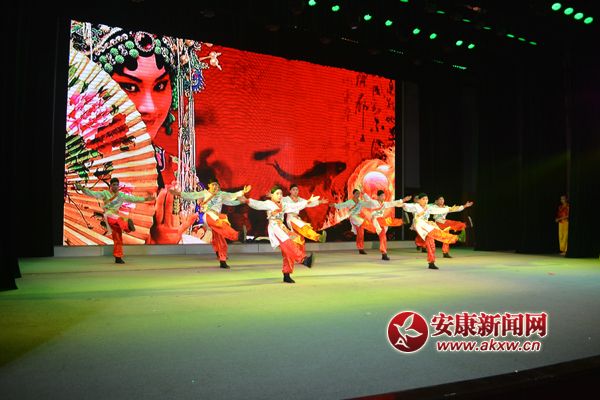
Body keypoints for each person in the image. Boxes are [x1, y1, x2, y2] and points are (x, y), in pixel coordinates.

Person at [70, 21, 220, 244]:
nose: (149, 107)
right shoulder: (70, 168)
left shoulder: (178, 172)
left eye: (160, 86)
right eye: (129, 86)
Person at [240, 186, 318, 283]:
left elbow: (295, 206)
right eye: (277, 193)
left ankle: (287, 274)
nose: (280, 195)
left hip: (282, 227)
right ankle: (304, 260)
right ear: (272, 195)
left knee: (288, 252)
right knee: (288, 243)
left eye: (281, 193)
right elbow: (258, 204)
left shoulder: (283, 205)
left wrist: (308, 201)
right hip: (274, 227)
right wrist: (247, 200)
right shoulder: (269, 203)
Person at [171, 178, 251, 268]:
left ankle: (222, 260)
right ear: (209, 185)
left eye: (217, 185)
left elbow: (231, 198)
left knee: (220, 239)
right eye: (213, 184)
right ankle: (237, 236)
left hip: (217, 216)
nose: (215, 187)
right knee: (222, 225)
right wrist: (179, 193)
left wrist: (242, 193)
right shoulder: (204, 193)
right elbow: (192, 195)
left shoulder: (221, 194)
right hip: (208, 216)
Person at [75, 178, 155, 263]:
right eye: (114, 185)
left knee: (118, 238)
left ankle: (118, 257)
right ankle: (127, 226)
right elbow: (93, 194)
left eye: (117, 185)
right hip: (109, 215)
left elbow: (133, 199)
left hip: (115, 217)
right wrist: (82, 189)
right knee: (121, 220)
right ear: (110, 185)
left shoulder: (121, 195)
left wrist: (146, 199)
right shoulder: (105, 193)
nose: (116, 186)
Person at [403, 194, 473, 269]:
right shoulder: (415, 206)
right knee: (437, 233)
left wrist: (464, 206)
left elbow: (448, 209)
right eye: (423, 199)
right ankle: (457, 237)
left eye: (426, 199)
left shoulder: (429, 207)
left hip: (427, 225)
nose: (425, 201)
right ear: (419, 200)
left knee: (431, 245)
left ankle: (431, 262)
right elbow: (404, 206)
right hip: (421, 224)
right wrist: (403, 200)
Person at [362, 190, 412, 261]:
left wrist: (404, 200)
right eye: (382, 196)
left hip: (382, 223)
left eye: (384, 196)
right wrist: (363, 193)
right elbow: (368, 199)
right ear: (378, 197)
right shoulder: (374, 202)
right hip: (375, 221)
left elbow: (393, 203)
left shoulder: (385, 204)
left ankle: (384, 254)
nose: (383, 197)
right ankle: (402, 221)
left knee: (383, 237)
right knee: (388, 221)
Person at [283, 184, 328, 259]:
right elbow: (278, 200)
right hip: (291, 218)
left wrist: (320, 201)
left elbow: (309, 203)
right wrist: (271, 196)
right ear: (290, 191)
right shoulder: (286, 199)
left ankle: (301, 257)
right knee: (304, 228)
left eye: (296, 190)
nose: (295, 191)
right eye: (293, 190)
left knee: (299, 239)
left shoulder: (300, 200)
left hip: (297, 218)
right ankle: (318, 237)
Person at [329, 188, 377, 254]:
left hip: (359, 218)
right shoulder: (350, 202)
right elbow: (342, 205)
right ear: (353, 194)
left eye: (359, 194)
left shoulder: (360, 202)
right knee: (362, 222)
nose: (358, 195)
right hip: (354, 217)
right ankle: (372, 228)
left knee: (361, 234)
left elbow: (370, 204)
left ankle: (360, 248)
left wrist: (364, 194)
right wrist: (334, 205)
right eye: (356, 193)